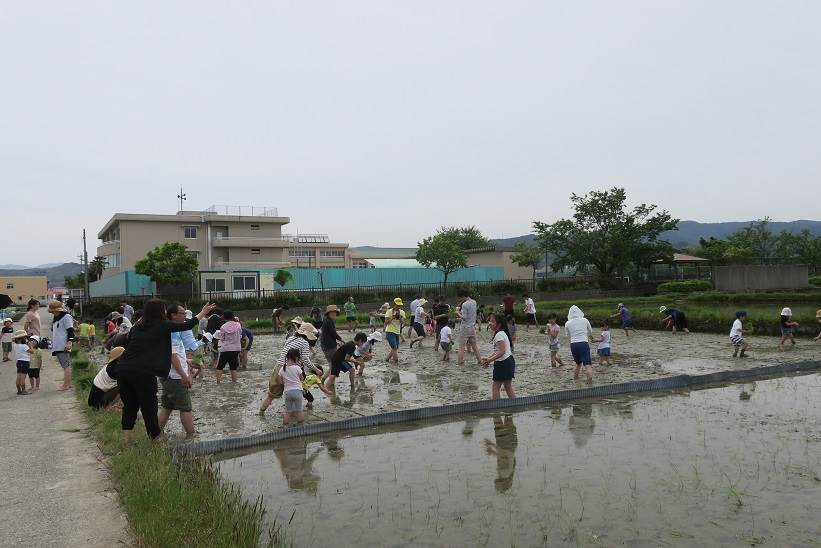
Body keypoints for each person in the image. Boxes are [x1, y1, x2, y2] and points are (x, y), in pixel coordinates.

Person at [116, 300, 215, 441]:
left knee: (130, 405)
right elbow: (187, 325)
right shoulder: (161, 325)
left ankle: (127, 440)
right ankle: (155, 438)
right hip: (143, 371)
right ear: (159, 312)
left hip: (123, 368)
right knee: (149, 406)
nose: (165, 312)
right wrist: (203, 313)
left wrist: (186, 361)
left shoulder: (138, 326)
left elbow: (132, 343)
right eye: (164, 310)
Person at [260, 323, 321, 415]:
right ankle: (295, 414)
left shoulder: (290, 338)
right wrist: (316, 370)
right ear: (308, 335)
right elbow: (305, 359)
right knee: (294, 390)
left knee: (271, 394)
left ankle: (261, 412)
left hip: (278, 367)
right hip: (291, 370)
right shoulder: (304, 343)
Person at [158, 307, 196, 435]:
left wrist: (187, 361)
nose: (184, 316)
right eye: (182, 314)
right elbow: (172, 356)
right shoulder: (171, 331)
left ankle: (155, 434)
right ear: (173, 315)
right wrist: (184, 375)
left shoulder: (169, 329)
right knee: (186, 408)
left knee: (166, 407)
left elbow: (175, 353)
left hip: (169, 375)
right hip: (175, 377)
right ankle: (192, 438)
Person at [480, 313, 515, 400]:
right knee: (508, 386)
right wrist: (488, 358)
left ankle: (496, 411)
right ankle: (515, 405)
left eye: (492, 321)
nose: (489, 323)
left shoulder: (499, 335)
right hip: (509, 361)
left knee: (495, 388)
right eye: (489, 321)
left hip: (503, 363)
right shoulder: (502, 333)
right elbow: (497, 351)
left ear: (499, 324)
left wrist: (489, 360)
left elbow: (501, 352)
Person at [49, 299, 76, 390]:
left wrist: (69, 342)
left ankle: (66, 385)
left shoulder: (66, 317)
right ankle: (68, 383)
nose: (53, 313)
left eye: (54, 311)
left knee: (66, 365)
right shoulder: (57, 318)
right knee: (65, 365)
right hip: (59, 345)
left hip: (63, 345)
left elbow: (70, 331)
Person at [566, 305, 594, 384]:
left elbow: (567, 335)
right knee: (587, 364)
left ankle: (575, 380)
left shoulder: (567, 323)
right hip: (583, 343)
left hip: (573, 345)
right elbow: (590, 331)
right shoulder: (585, 320)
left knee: (578, 364)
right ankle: (590, 381)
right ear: (579, 312)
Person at [280, 348, 306, 426]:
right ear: (296, 358)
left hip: (287, 392)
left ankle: (285, 426)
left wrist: (285, 384)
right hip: (297, 391)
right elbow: (302, 378)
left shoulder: (282, 368)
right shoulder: (297, 368)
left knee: (287, 411)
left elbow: (280, 381)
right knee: (299, 411)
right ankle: (301, 427)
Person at [215, 310, 242, 384]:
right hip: (236, 348)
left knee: (220, 366)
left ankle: (218, 383)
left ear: (225, 317)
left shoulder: (223, 327)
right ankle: (234, 382)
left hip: (226, 349)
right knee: (233, 367)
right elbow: (240, 334)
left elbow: (222, 338)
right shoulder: (238, 325)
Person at [457, 290, 481, 366]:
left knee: (461, 346)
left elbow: (464, 317)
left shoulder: (464, 304)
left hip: (465, 328)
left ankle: (460, 362)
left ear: (464, 296)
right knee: (474, 346)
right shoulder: (474, 302)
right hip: (472, 327)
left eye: (461, 297)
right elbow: (470, 315)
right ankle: (480, 360)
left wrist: (457, 312)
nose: (461, 299)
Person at [384, 298, 405, 364]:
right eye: (397, 305)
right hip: (390, 331)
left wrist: (400, 318)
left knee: (395, 348)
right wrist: (392, 318)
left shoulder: (402, 312)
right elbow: (386, 322)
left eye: (400, 305)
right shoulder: (389, 311)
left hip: (397, 332)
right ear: (394, 304)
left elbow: (403, 323)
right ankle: (396, 362)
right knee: (395, 348)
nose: (399, 306)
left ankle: (387, 359)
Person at [13, 330, 33, 395]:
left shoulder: (15, 345)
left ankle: (19, 390)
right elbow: (32, 351)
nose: (26, 339)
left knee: (18, 376)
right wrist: (30, 345)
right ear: (22, 339)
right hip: (25, 362)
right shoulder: (24, 346)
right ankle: (23, 390)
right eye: (25, 337)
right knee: (23, 377)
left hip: (19, 361)